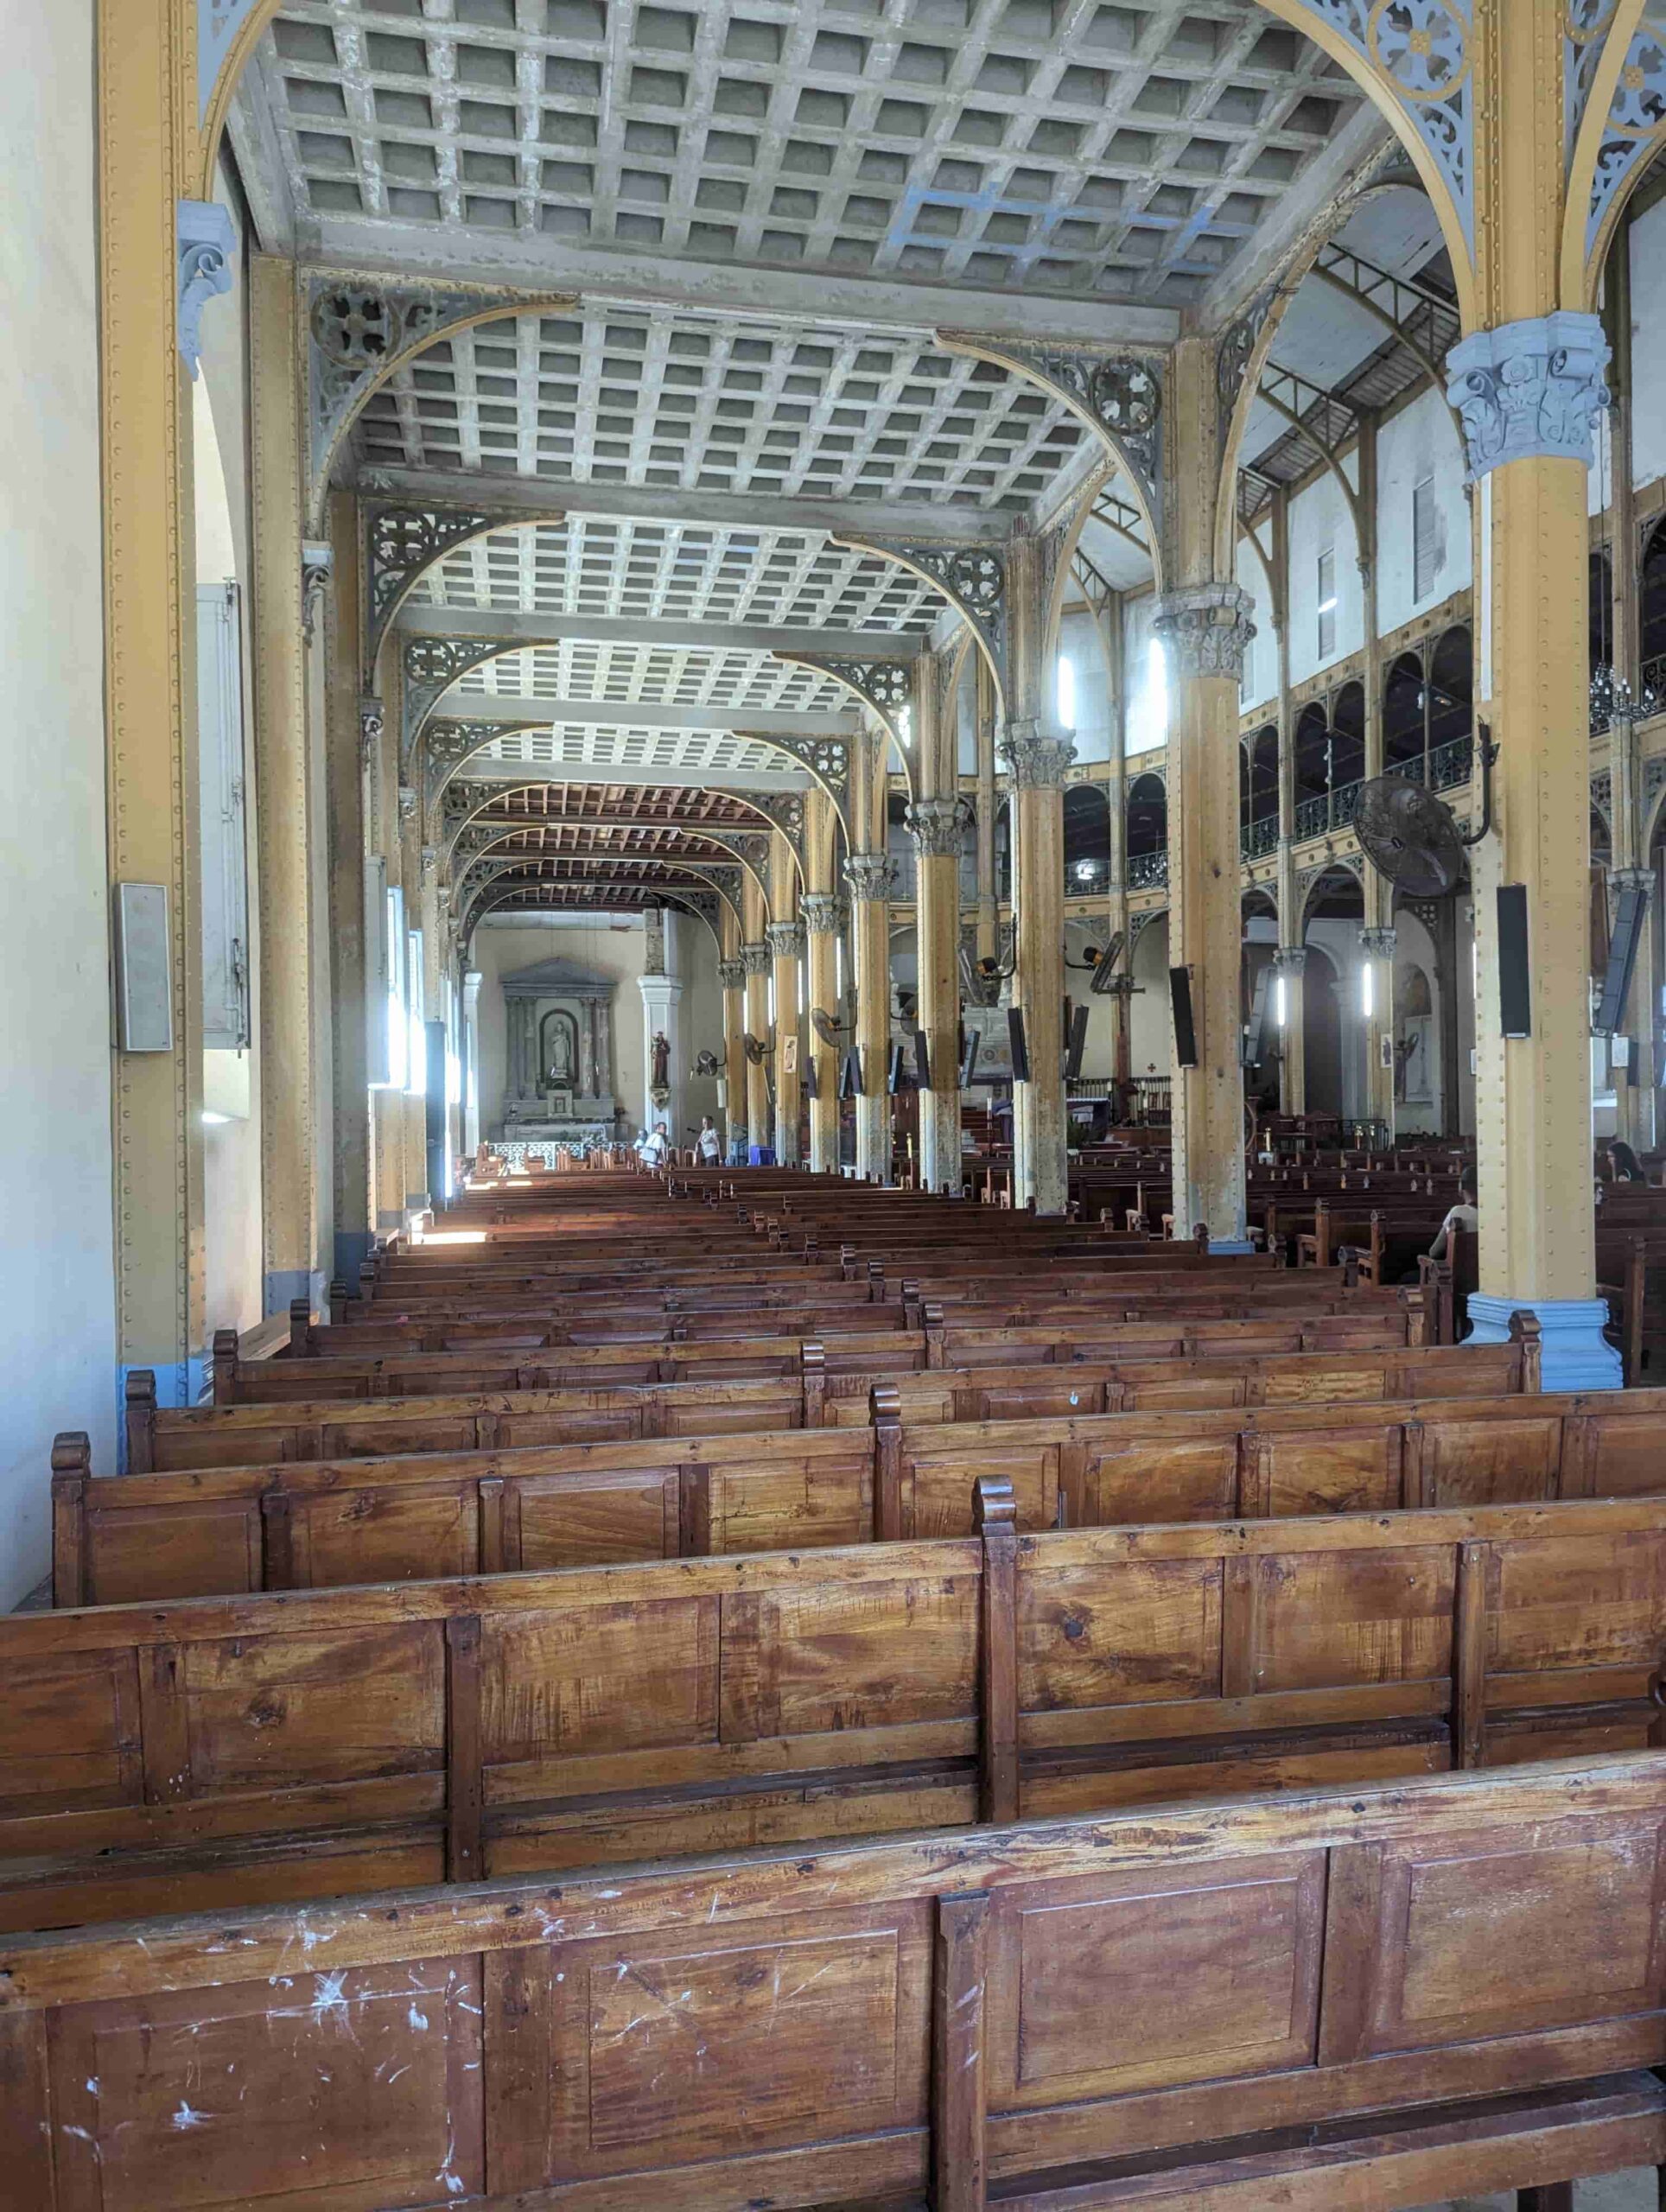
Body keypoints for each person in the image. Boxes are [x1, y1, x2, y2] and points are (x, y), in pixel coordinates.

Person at [1428, 1175, 1477, 1263]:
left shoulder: (1457, 1212)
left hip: (1463, 1273)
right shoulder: (1495, 1213)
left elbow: (1434, 1252)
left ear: (1461, 1187)